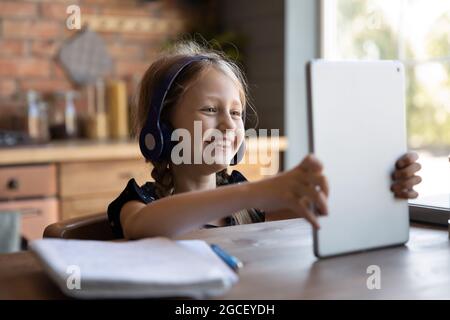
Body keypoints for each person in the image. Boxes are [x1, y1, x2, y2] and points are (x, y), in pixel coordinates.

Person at [107, 41, 422, 240]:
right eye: (210, 110)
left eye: (236, 113)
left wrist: (385, 180)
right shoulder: (140, 202)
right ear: (161, 127)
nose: (229, 124)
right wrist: (254, 191)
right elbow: (142, 226)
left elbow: (327, 203)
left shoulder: (245, 201)